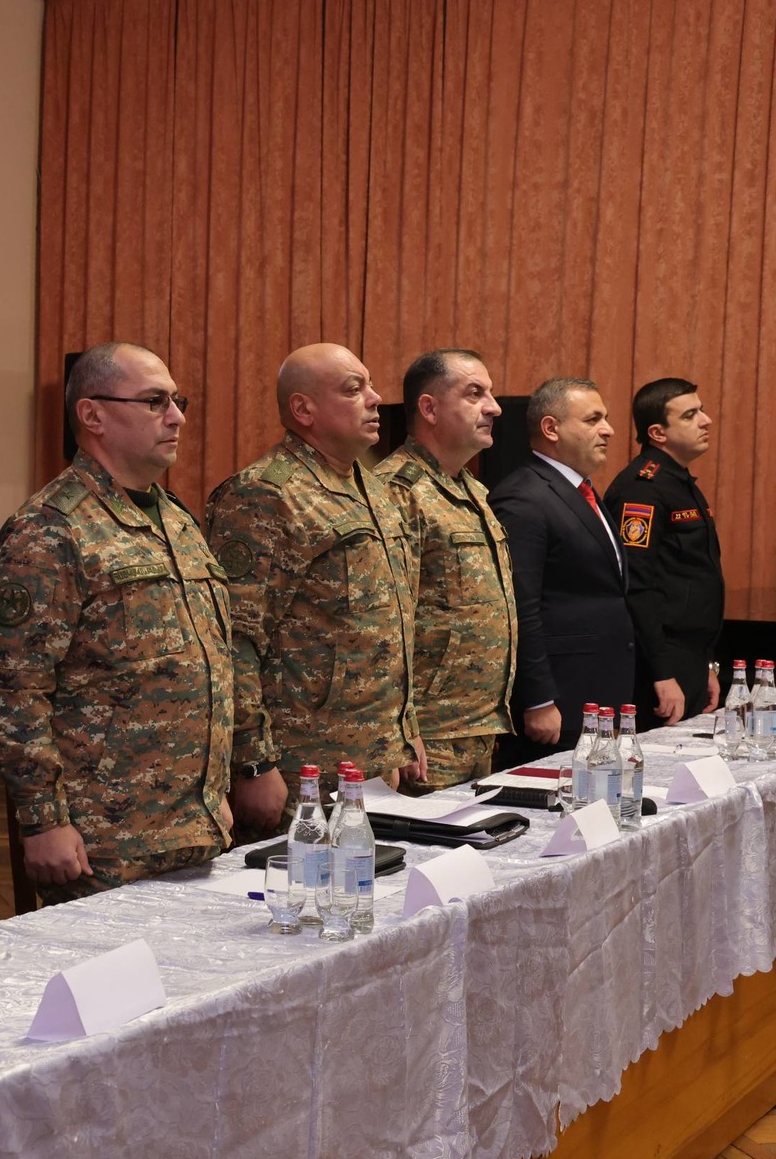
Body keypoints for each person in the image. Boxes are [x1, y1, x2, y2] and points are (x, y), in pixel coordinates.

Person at [0, 342, 234, 903]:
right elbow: (12, 688)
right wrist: (43, 819)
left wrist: (214, 792)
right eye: (155, 401)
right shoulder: (50, 528)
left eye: (178, 400)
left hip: (193, 826)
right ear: (92, 415)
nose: (177, 416)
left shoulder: (176, 519)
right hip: (103, 841)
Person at [204, 343, 417, 833]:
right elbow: (235, 639)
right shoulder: (265, 494)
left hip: (373, 758)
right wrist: (253, 763)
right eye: (353, 389)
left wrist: (404, 734)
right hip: (300, 766)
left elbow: (391, 625)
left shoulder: (372, 487)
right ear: (303, 409)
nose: (375, 398)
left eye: (370, 385)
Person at [380, 349, 519, 788]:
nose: (494, 408)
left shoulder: (472, 489)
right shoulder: (397, 490)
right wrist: (402, 728)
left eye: (490, 394)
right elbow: (386, 622)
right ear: (429, 408)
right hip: (429, 735)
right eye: (475, 393)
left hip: (478, 726)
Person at [487, 376, 634, 757]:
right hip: (558, 703)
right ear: (551, 428)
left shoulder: (580, 491)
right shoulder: (524, 496)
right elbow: (520, 606)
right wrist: (538, 698)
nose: (608, 430)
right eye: (593, 419)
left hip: (598, 692)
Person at [601, 377, 724, 729]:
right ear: (658, 433)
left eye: (701, 410)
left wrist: (707, 664)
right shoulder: (642, 489)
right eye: (690, 415)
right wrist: (662, 672)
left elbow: (695, 577)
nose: (705, 421)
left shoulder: (679, 483)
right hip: (660, 661)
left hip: (690, 657)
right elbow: (637, 586)